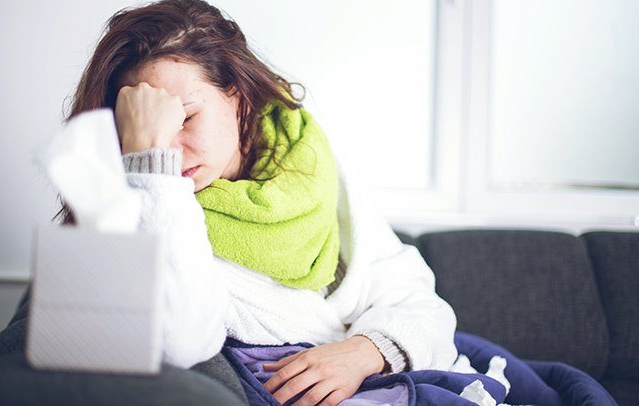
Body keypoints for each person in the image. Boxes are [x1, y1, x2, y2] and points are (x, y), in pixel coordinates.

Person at [56, 0, 459, 404]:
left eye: (185, 118)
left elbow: (416, 297)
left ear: (237, 96)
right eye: (151, 129)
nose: (171, 151)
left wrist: (367, 352)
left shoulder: (306, 161)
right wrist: (148, 165)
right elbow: (178, 340)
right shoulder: (141, 208)